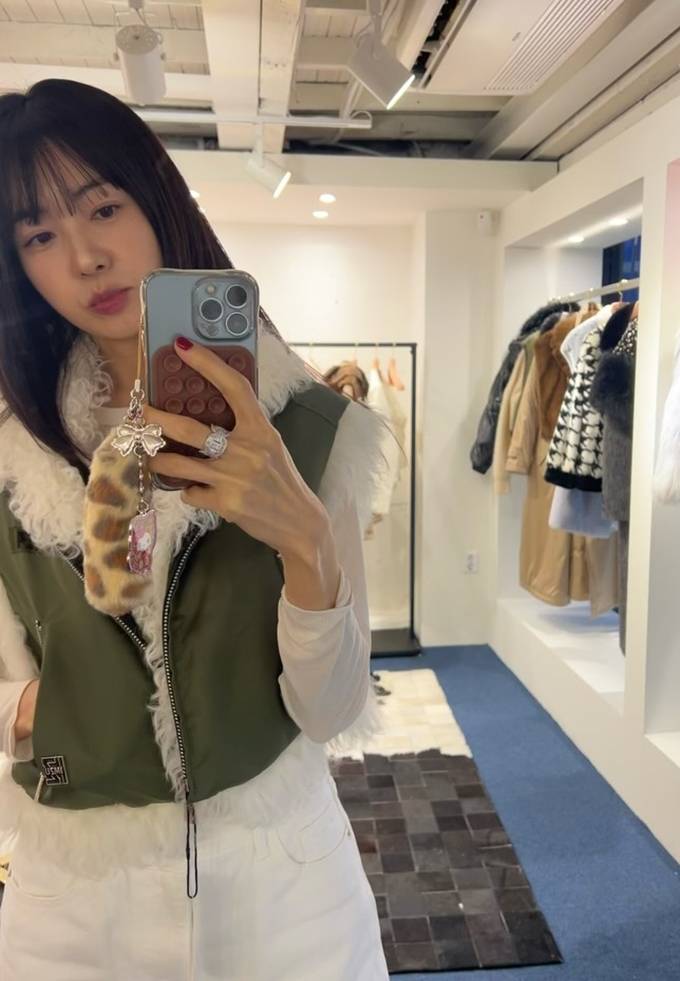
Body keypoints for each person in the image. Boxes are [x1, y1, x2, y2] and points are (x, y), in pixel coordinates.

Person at [0, 80, 389, 980]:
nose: (86, 258)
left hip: (284, 883)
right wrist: (41, 710)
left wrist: (305, 541)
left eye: (104, 207)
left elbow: (332, 710)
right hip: (76, 897)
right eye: (39, 236)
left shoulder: (308, 428)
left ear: (159, 199)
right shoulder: (11, 455)